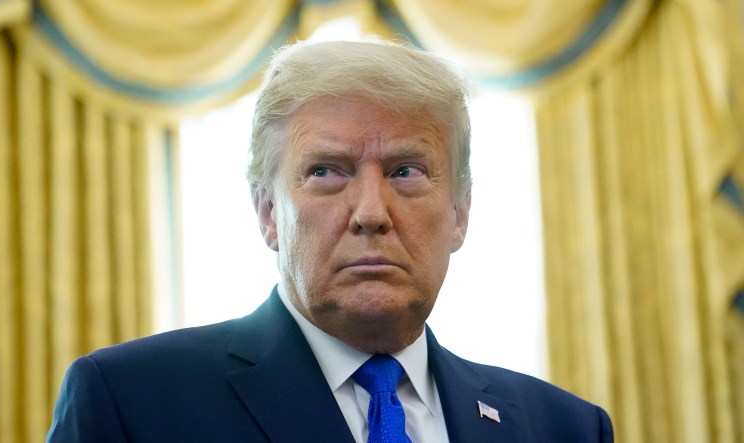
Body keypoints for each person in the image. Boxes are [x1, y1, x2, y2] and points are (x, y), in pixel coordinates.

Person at [47, 40, 613, 442]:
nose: (370, 213)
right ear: (268, 212)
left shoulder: (563, 427)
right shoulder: (132, 402)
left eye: (406, 171)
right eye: (326, 171)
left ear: (461, 213)